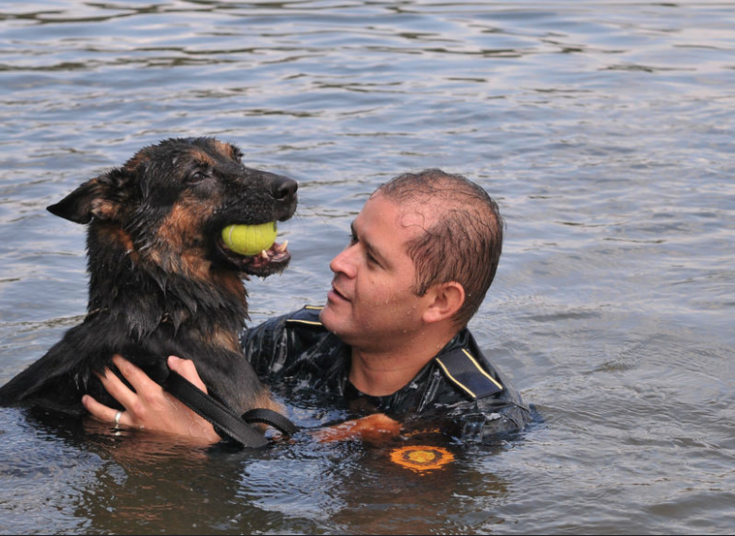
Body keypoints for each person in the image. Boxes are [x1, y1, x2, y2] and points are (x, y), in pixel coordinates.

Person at [83, 169, 531, 445]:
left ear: (439, 301)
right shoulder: (289, 340)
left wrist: (198, 446)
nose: (339, 262)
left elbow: (389, 512)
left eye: (372, 259)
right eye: (352, 238)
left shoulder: (477, 419)